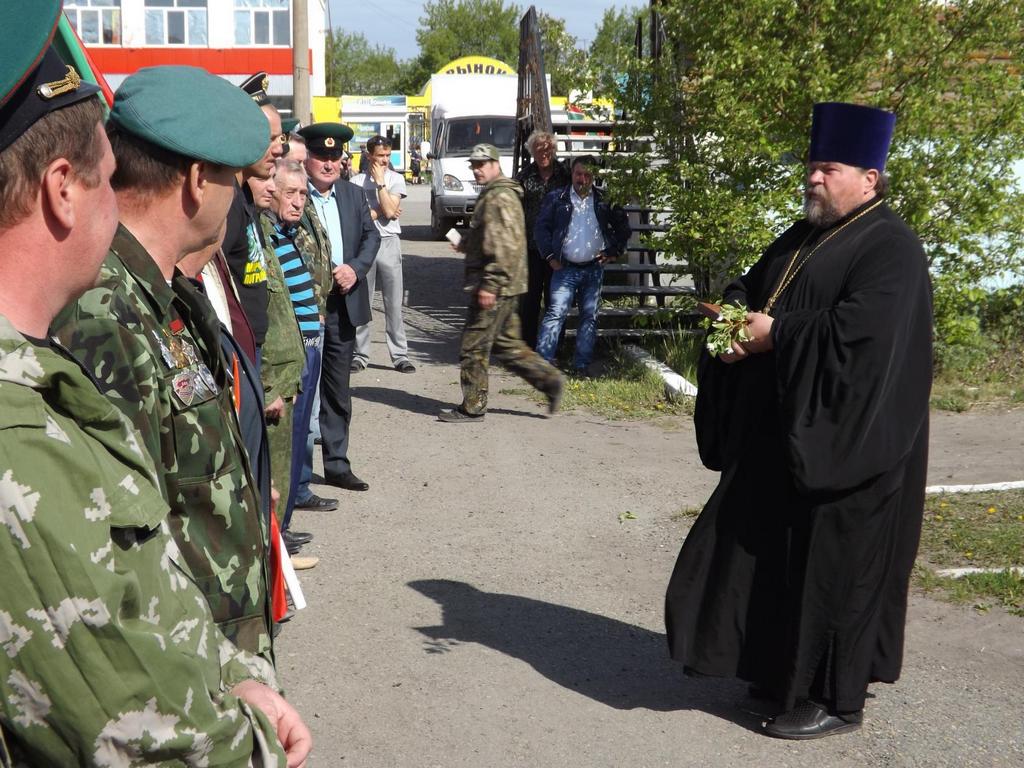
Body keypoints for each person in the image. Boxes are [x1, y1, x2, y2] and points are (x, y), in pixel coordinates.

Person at [0, 5, 310, 762]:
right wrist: (250, 728)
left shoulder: (155, 300)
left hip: (204, 655)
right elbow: (135, 729)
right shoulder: (43, 404)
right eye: (109, 178)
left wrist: (228, 667)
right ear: (64, 190)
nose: (121, 199)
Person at [664, 102, 933, 740]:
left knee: (837, 571)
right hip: (791, 436)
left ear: (869, 178)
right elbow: (751, 287)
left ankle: (836, 700)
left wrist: (776, 335)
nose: (812, 179)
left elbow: (861, 340)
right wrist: (732, 320)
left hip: (855, 442)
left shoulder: (891, 247)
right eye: (811, 167)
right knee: (778, 558)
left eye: (827, 168)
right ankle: (778, 674)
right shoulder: (803, 233)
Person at [56, 65, 278, 665]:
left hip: (214, 660)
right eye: (234, 177)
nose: (239, 196)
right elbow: (115, 554)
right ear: (198, 180)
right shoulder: (107, 315)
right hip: (180, 676)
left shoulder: (160, 296)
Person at [438, 144, 564, 423]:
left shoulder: (500, 197)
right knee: (507, 346)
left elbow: (505, 245)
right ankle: (550, 380)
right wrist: (467, 243)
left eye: (482, 164)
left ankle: (472, 406)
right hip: (505, 285)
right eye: (474, 164)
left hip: (496, 286)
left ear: (496, 164)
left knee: (473, 347)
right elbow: (491, 237)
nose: (477, 169)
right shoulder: (497, 194)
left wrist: (490, 284)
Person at [297, 122, 380, 490]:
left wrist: (356, 269)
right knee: (301, 392)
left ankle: (337, 464)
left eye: (334, 157)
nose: (328, 164)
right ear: (308, 158)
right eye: (321, 156)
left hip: (342, 304)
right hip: (306, 306)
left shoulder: (351, 194)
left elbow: (370, 237)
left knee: (336, 389)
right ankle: (298, 474)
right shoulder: (295, 194)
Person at [247, 165, 312, 557]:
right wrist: (268, 383)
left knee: (282, 475)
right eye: (269, 181)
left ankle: (279, 549)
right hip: (274, 379)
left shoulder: (271, 234)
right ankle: (274, 559)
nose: (275, 192)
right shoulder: (256, 232)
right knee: (272, 477)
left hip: (290, 369)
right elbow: (258, 317)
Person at [535, 155, 631, 375]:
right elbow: (541, 229)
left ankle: (581, 365)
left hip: (593, 268)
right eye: (579, 173)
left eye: (587, 174)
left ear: (594, 176)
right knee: (556, 312)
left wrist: (613, 251)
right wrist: (550, 255)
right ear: (572, 173)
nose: (582, 178)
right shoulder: (556, 198)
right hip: (564, 268)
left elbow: (623, 229)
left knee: (589, 316)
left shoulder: (605, 201)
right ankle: (541, 364)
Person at [220, 71, 286, 371]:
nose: (279, 148)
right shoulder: (226, 202)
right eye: (269, 138)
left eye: (280, 138)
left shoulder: (244, 197)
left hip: (252, 346)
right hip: (236, 350)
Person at [350, 134, 416, 374]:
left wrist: (380, 185)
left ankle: (400, 355)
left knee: (393, 302)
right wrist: (381, 210)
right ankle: (360, 354)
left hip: (389, 242)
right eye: (380, 156)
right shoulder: (355, 182)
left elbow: (389, 210)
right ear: (369, 156)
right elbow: (361, 216)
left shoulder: (396, 179)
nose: (385, 160)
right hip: (364, 243)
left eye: (388, 155)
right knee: (363, 302)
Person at [515, 130, 570, 348]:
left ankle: (554, 347)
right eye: (539, 149)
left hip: (559, 249)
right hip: (531, 247)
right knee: (529, 300)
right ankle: (527, 346)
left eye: (547, 149)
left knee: (556, 300)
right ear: (532, 152)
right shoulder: (524, 176)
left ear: (553, 150)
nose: (543, 153)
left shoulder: (565, 174)